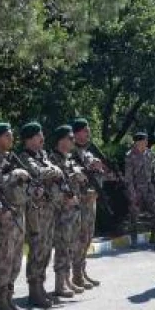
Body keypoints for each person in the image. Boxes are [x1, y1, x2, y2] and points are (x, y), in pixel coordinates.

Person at [0, 122, 31, 310]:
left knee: (15, 261)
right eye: (7, 135)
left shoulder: (12, 158)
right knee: (4, 261)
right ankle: (0, 302)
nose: (11, 139)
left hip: (18, 216)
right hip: (3, 219)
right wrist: (14, 175)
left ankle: (9, 299)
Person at [18, 122, 64, 309]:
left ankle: (41, 286)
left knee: (46, 249)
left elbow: (54, 171)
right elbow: (37, 173)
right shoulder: (23, 157)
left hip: (49, 208)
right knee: (37, 248)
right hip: (36, 210)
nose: (42, 139)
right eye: (38, 136)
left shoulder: (42, 155)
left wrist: (54, 172)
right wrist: (54, 172)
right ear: (29, 139)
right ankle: (34, 290)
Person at [49, 125, 85, 298]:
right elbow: (54, 185)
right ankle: (59, 283)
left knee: (71, 246)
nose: (73, 141)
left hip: (74, 208)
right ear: (61, 140)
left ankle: (67, 279)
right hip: (62, 210)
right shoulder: (53, 160)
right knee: (62, 246)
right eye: (70, 138)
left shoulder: (70, 158)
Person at [70, 119, 105, 288]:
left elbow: (99, 176)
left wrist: (98, 171)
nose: (88, 133)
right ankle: (76, 275)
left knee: (87, 237)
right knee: (79, 238)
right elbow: (73, 177)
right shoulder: (70, 153)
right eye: (85, 130)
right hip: (79, 202)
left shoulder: (89, 152)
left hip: (91, 201)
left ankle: (82, 271)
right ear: (76, 133)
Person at [124, 132, 155, 232]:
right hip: (136, 188)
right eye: (144, 141)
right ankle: (133, 235)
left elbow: (153, 171)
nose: (146, 143)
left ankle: (154, 234)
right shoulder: (130, 155)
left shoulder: (149, 154)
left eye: (146, 141)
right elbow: (128, 177)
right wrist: (132, 193)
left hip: (149, 187)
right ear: (137, 142)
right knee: (134, 212)